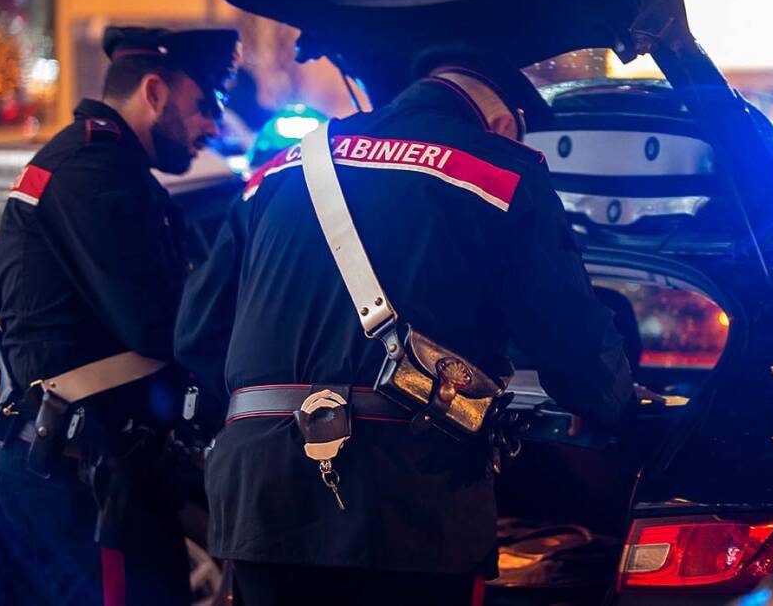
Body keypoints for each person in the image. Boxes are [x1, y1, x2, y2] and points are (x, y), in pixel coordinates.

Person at [175, 48, 636, 606]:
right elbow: (573, 346)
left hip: (258, 494)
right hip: (409, 501)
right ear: (503, 123)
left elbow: (196, 334)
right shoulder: (501, 171)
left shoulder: (280, 168)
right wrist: (620, 406)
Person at [0, 25, 239, 606]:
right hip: (85, 473)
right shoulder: (96, 172)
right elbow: (165, 325)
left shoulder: (101, 163)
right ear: (154, 91)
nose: (213, 126)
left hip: (91, 461)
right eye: (204, 105)